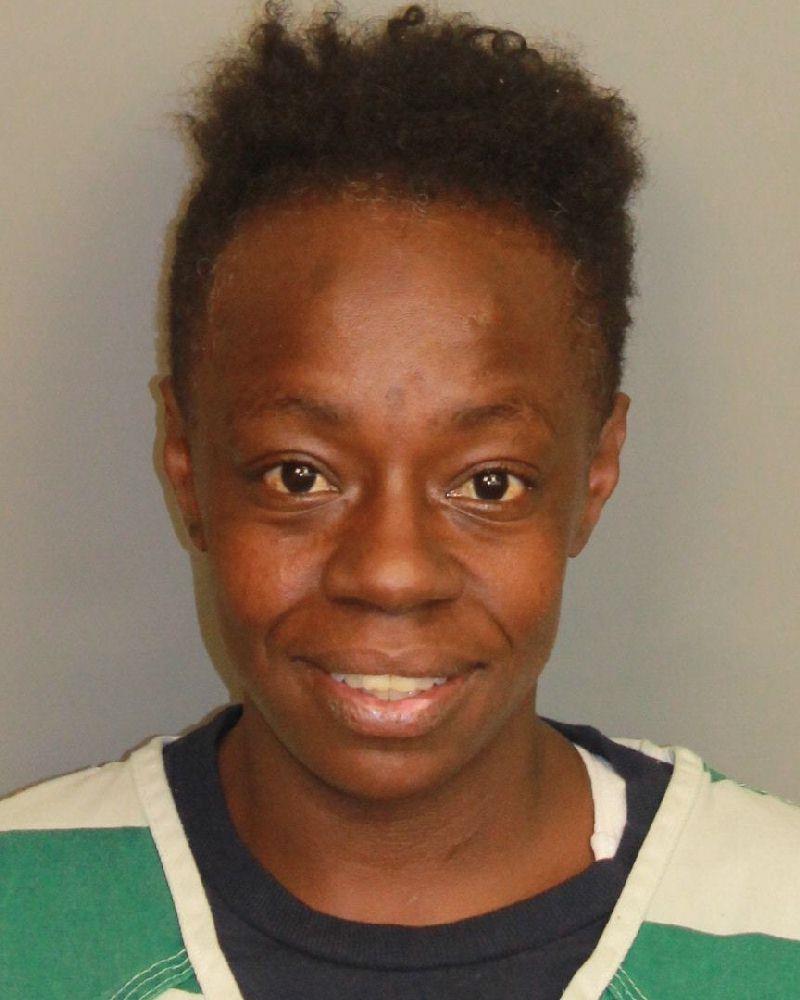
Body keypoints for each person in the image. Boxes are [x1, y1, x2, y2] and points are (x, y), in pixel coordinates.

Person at [1, 4, 798, 998]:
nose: (389, 572)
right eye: (299, 475)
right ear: (185, 462)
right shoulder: (24, 917)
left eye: (487, 483)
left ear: (594, 476)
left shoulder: (773, 917)